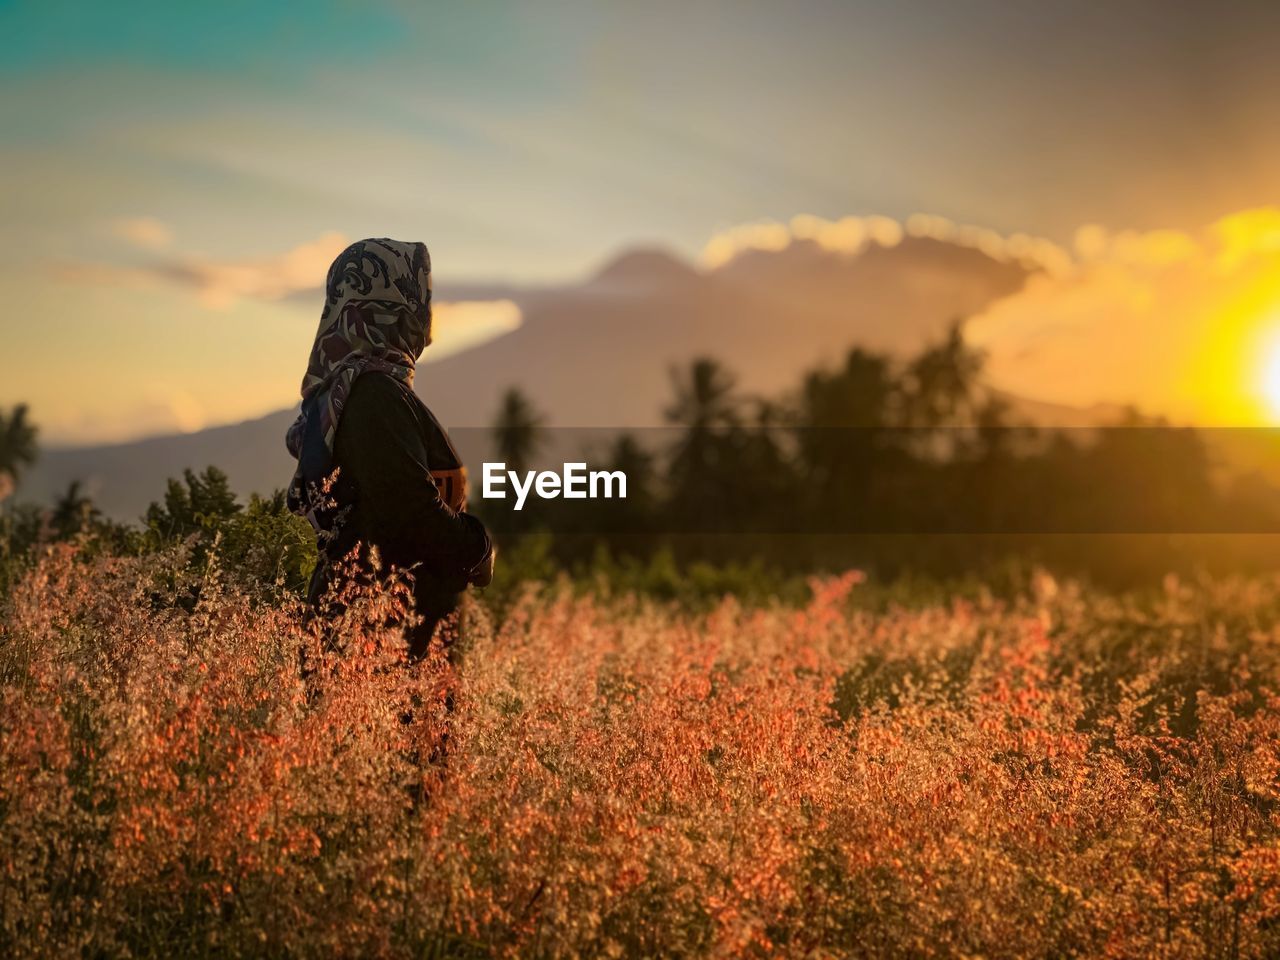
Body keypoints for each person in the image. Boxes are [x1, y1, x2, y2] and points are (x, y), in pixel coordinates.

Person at [285, 238, 494, 660]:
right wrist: (478, 546)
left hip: (381, 638)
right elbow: (410, 512)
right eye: (419, 295)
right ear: (395, 306)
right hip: (383, 646)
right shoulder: (374, 395)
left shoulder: (365, 391)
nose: (426, 310)